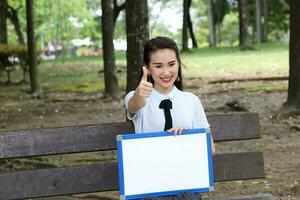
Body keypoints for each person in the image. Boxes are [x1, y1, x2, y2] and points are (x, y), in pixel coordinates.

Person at [124, 36, 215, 200]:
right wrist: (139, 94)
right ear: (148, 69)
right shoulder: (137, 97)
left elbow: (211, 150)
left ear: (178, 64)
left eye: (171, 64)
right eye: (158, 66)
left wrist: (188, 139)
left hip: (185, 185)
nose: (166, 72)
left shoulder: (191, 100)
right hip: (149, 186)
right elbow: (134, 105)